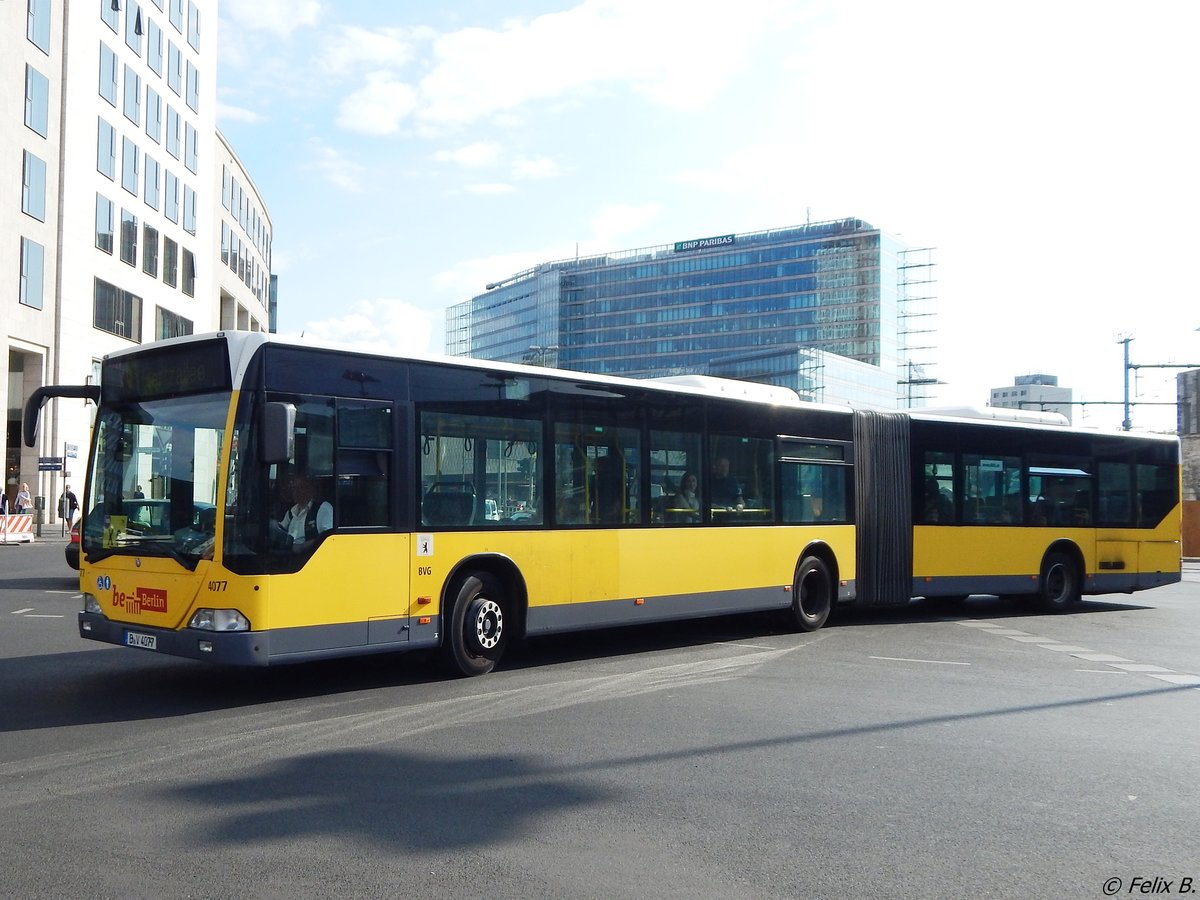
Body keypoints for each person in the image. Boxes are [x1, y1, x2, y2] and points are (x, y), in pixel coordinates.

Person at [278, 473, 333, 549]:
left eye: (301, 488)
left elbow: (329, 539)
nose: (297, 492)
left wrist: (302, 547)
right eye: (294, 488)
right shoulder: (291, 512)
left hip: (309, 556)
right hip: (288, 555)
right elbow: (280, 532)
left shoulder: (322, 508)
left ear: (310, 490)